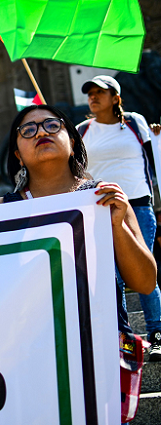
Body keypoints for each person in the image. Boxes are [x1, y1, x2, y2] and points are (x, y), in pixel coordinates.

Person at [0, 105, 156, 424]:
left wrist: (118, 224)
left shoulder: (106, 198)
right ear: (18, 155)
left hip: (101, 352)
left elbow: (146, 283)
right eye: (28, 130)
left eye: (52, 125)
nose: (40, 132)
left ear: (72, 139)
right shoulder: (1, 211)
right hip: (31, 357)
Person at [77, 75, 161, 361]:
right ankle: (124, 337)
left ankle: (157, 334)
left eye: (101, 92)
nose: (94, 97)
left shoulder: (136, 124)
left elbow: (155, 161)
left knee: (142, 269)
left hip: (138, 205)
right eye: (90, 93)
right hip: (102, 208)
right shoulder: (81, 131)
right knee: (112, 272)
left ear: (116, 98)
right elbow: (74, 169)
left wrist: (158, 136)